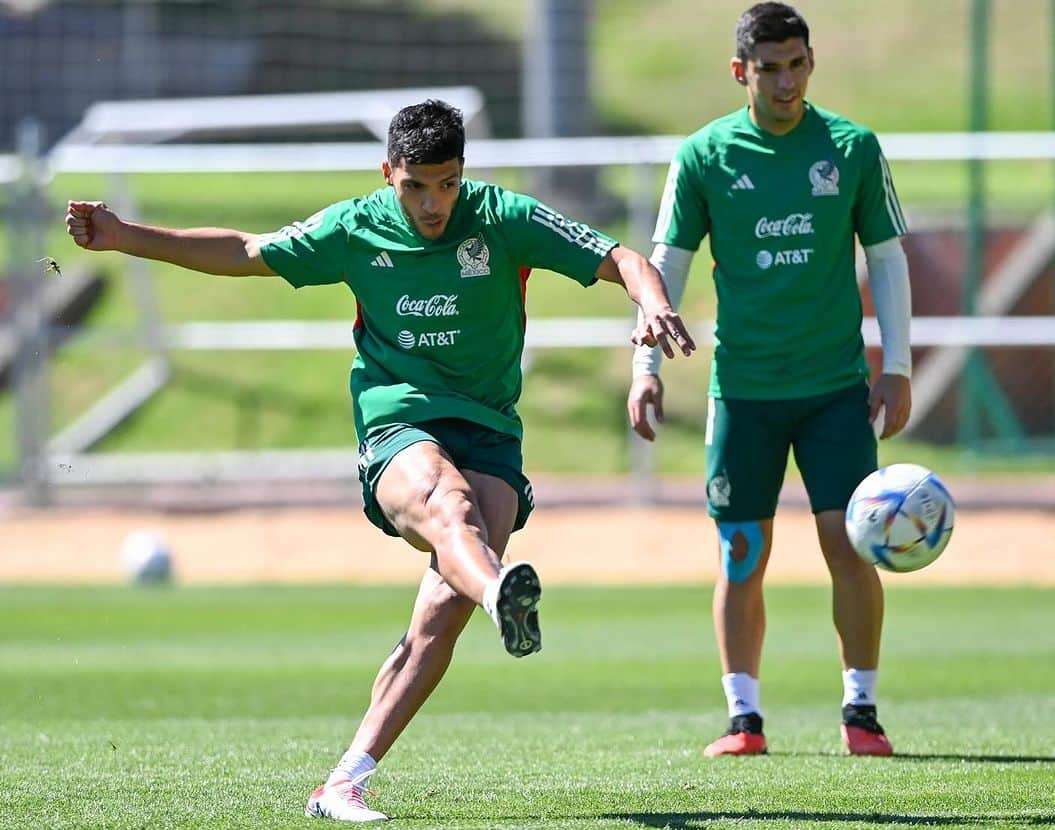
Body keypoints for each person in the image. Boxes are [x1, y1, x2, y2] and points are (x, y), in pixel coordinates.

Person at [66, 99, 696, 823]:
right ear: (388, 173)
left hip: (490, 430)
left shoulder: (503, 217)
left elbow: (619, 258)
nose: (434, 203)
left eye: (448, 183)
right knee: (450, 509)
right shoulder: (354, 226)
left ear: (464, 174)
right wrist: (123, 236)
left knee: (441, 610)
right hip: (397, 420)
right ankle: (501, 597)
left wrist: (649, 305)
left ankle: (342, 782)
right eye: (416, 186)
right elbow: (246, 250)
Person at [628, 2, 911, 758]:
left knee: (850, 548)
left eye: (797, 65)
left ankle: (862, 712)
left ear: (811, 63)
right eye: (769, 69)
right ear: (740, 73)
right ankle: (743, 721)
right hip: (744, 394)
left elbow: (886, 258)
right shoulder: (704, 156)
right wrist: (645, 366)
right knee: (740, 557)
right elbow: (667, 267)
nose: (786, 83)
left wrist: (900, 366)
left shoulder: (851, 147)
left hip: (833, 392)